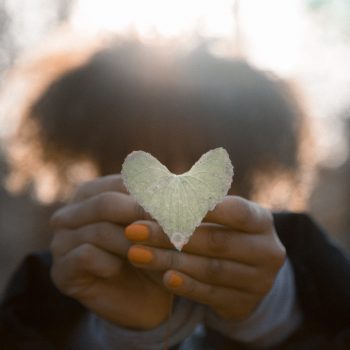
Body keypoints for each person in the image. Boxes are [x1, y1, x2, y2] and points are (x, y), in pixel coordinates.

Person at [1, 39, 350, 350]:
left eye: (201, 158)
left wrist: (269, 311)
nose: (176, 178)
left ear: (246, 174)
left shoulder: (318, 279)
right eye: (137, 154)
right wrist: (121, 336)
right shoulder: (39, 299)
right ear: (99, 167)